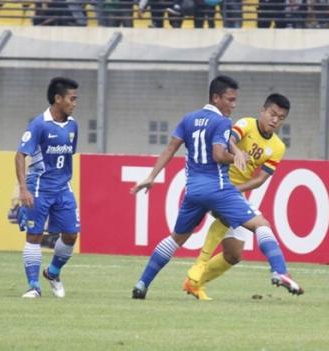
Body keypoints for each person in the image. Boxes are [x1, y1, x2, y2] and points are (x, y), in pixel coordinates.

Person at [130, 75, 304, 299]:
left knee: (176, 239)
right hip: (219, 188)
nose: (234, 105)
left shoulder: (188, 118)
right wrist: (237, 156)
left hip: (193, 190)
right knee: (262, 225)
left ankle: (142, 283)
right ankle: (280, 271)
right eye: (230, 100)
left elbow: (169, 149)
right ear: (216, 98)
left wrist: (151, 176)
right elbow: (219, 155)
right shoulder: (223, 122)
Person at [182, 93, 291, 301]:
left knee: (233, 255)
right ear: (263, 111)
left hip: (236, 191)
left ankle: (194, 283)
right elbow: (229, 140)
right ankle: (200, 265)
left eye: (281, 117)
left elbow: (260, 179)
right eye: (272, 114)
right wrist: (230, 184)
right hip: (215, 181)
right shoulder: (246, 124)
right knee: (260, 224)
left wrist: (236, 191)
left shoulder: (278, 147)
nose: (275, 120)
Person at [15, 77, 80, 298]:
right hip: (40, 188)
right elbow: (20, 155)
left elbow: (68, 155)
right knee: (34, 236)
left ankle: (52, 273)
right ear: (58, 98)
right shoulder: (39, 124)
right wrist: (23, 189)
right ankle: (34, 286)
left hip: (63, 189)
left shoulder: (73, 125)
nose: (74, 103)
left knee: (71, 235)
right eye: (72, 99)